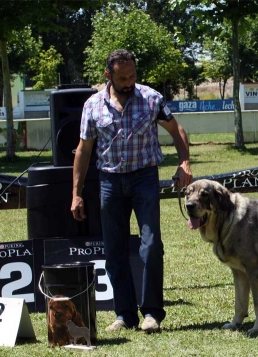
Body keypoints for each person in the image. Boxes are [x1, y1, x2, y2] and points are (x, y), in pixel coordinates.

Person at [71, 49, 193, 334]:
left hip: (144, 179)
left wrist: (184, 162)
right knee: (114, 250)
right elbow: (84, 150)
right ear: (108, 75)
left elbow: (177, 130)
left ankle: (151, 313)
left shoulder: (151, 99)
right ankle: (124, 314)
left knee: (151, 246)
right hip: (109, 182)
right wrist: (76, 193)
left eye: (133, 75)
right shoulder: (92, 106)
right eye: (122, 77)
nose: (129, 81)